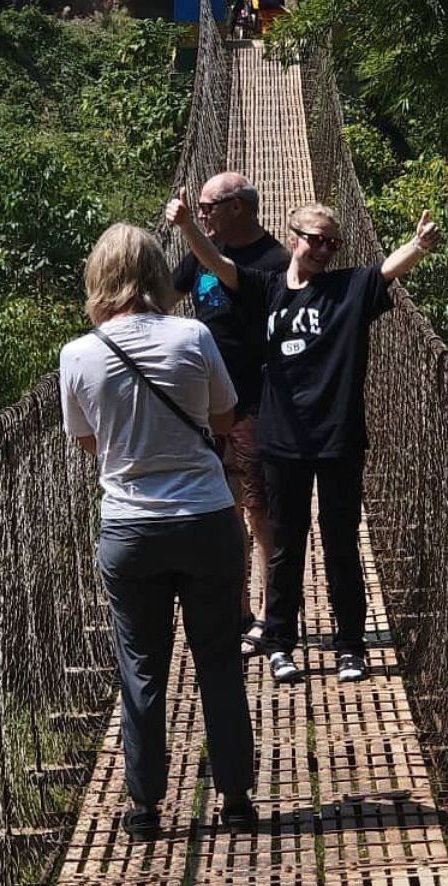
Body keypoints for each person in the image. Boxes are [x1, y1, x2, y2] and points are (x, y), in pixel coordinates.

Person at [165, 197, 439, 685]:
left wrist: (417, 247)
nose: (322, 249)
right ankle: (280, 644)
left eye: (331, 242)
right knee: (287, 546)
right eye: (314, 239)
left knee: (340, 545)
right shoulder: (267, 288)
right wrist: (188, 226)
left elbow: (384, 272)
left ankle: (350, 646)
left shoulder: (347, 288)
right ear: (293, 236)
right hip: (282, 439)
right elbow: (218, 264)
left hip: (337, 438)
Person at [59, 223, 257, 839]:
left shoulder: (78, 353)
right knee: (218, 660)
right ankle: (237, 801)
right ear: (156, 275)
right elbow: (224, 417)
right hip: (204, 518)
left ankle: (144, 808)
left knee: (140, 668)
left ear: (98, 278)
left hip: (130, 528)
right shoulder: (193, 334)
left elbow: (89, 443)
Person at [171, 174, 291, 657]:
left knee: (261, 510)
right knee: (224, 507)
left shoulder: (274, 262)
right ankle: (237, 611)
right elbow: (163, 296)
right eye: (197, 209)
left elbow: (225, 273)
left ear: (238, 207)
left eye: (207, 207)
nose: (202, 214)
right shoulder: (207, 246)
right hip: (202, 404)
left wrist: (187, 230)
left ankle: (271, 615)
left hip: (257, 400)